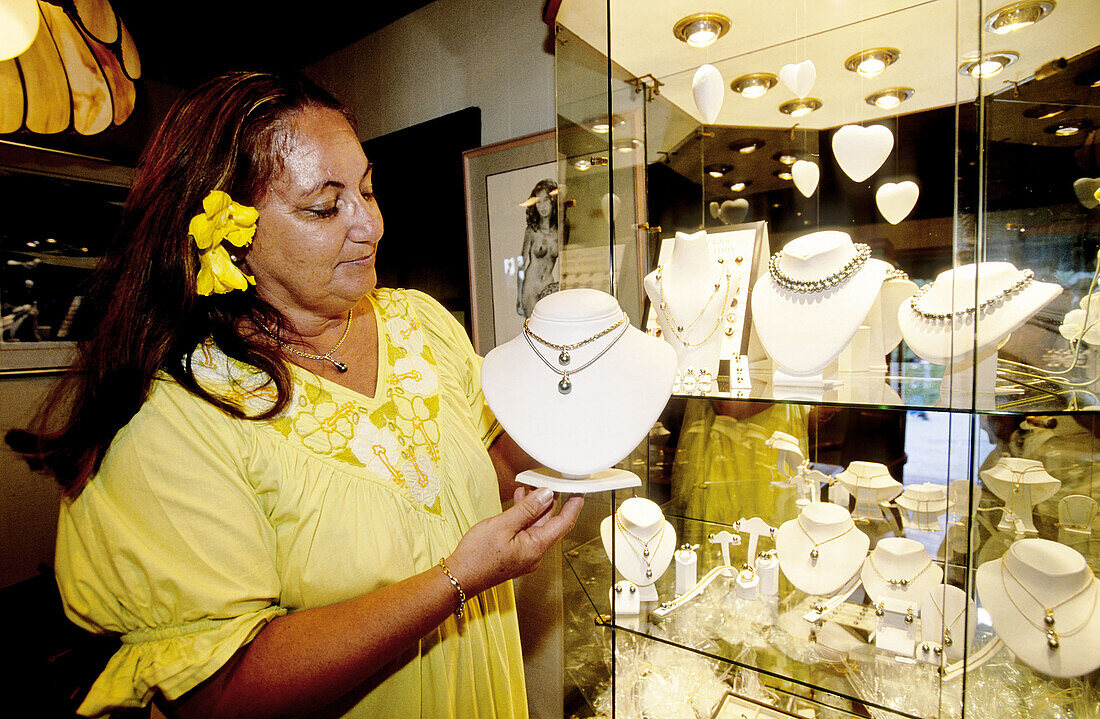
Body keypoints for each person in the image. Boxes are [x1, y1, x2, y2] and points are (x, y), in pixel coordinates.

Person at [26, 71, 583, 718]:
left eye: (368, 189)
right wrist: (455, 580)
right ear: (227, 231)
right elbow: (218, 692)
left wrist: (571, 399)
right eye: (325, 207)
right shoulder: (175, 415)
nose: (370, 225)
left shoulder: (417, 321)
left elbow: (480, 466)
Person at [516, 179, 559, 318]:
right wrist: (519, 295)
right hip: (531, 285)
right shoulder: (532, 231)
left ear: (553, 201)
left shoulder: (560, 231)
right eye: (538, 202)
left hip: (548, 284)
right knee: (534, 330)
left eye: (546, 200)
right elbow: (521, 264)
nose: (542, 206)